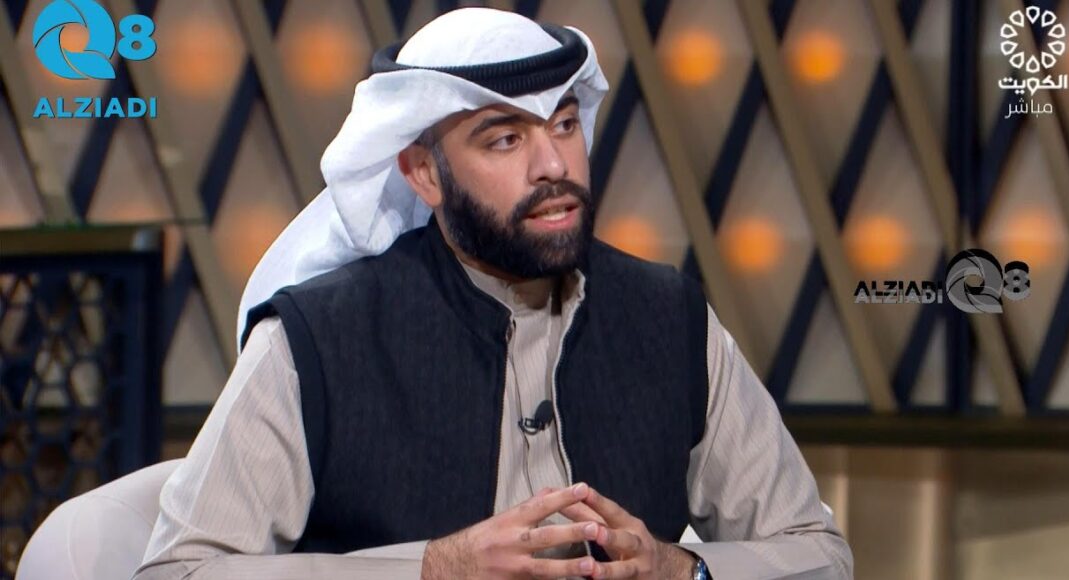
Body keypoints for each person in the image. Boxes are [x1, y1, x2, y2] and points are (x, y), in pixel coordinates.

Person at [134, 8, 851, 580]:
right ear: (423, 173)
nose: (553, 165)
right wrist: (431, 569)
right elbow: (179, 570)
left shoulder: (669, 317)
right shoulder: (316, 341)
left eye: (564, 126)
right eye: (505, 140)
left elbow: (817, 553)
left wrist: (683, 569)